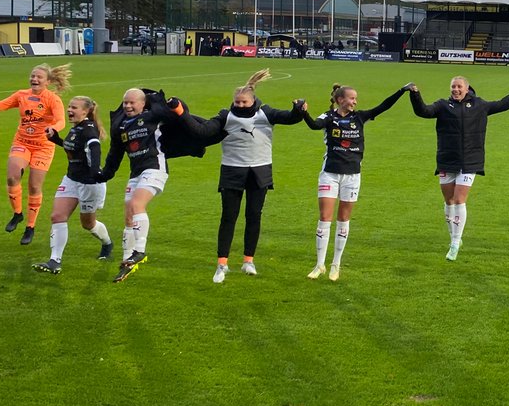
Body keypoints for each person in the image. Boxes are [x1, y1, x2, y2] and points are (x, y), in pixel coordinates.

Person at [184, 70, 308, 283]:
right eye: (237, 102)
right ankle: (222, 265)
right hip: (232, 171)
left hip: (259, 172)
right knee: (228, 217)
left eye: (244, 102)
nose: (240, 105)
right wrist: (181, 114)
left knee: (254, 215)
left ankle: (248, 261)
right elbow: (204, 132)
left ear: (253, 100)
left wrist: (299, 110)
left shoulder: (265, 113)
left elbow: (289, 118)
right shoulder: (225, 116)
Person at [408, 76, 509, 261]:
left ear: (467, 89)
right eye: (453, 86)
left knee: (459, 200)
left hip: (470, 161)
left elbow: (505, 103)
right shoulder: (443, 106)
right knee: (449, 201)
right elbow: (424, 112)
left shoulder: (479, 105)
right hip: (447, 159)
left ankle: (454, 243)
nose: (455, 89)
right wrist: (415, 94)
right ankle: (454, 238)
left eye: (459, 86)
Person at [302, 81, 409, 280]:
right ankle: (319, 265)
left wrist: (402, 91)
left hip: (352, 176)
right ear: (340, 100)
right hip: (330, 174)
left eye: (355, 99)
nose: (355, 102)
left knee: (343, 219)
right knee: (324, 218)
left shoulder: (359, 117)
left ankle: (336, 265)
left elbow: (383, 106)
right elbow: (313, 125)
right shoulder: (328, 117)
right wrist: (303, 111)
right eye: (351, 98)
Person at [97, 88, 188, 282]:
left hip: (155, 168)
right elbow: (115, 153)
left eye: (132, 103)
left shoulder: (154, 117)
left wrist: (155, 98)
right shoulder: (121, 125)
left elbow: (174, 115)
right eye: (125, 103)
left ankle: (140, 250)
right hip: (136, 173)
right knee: (129, 215)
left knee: (137, 205)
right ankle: (126, 262)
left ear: (142, 103)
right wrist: (105, 174)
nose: (128, 106)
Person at [0, 63, 70, 246]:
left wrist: (52, 127)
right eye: (32, 76)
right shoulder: (21, 95)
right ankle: (17, 214)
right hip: (22, 142)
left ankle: (30, 226)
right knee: (12, 177)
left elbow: (62, 120)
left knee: (34, 186)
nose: (34, 79)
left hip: (43, 146)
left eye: (39, 77)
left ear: (47, 81)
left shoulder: (52, 99)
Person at [35, 95, 113, 273]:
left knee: (88, 224)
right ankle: (55, 261)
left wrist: (95, 171)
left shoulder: (89, 130)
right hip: (71, 179)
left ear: (85, 111)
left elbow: (94, 148)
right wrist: (56, 140)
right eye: (69, 107)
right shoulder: (76, 128)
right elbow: (73, 148)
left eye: (74, 108)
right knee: (57, 216)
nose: (69, 110)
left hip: (89, 183)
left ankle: (107, 244)